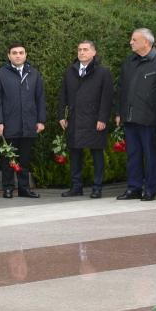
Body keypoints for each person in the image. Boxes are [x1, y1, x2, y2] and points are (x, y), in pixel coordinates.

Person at [115, 28, 156, 201]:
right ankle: (133, 188)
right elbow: (121, 89)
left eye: (134, 39)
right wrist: (119, 112)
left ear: (146, 42)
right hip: (130, 117)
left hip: (151, 118)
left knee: (150, 155)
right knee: (133, 155)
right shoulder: (129, 62)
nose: (130, 42)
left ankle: (150, 190)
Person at [0, 42, 46, 199]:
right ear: (9, 56)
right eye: (14, 53)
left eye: (21, 52)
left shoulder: (34, 73)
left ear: (26, 55)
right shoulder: (0, 74)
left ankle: (24, 188)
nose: (18, 55)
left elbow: (40, 98)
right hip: (8, 124)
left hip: (29, 124)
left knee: (25, 160)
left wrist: (41, 120)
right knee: (8, 159)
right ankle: (7, 188)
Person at [58, 41, 113, 199]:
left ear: (94, 52)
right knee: (75, 154)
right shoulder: (70, 71)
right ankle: (76, 187)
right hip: (74, 119)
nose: (82, 52)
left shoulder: (103, 72)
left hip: (95, 120)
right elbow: (63, 95)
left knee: (97, 154)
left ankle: (97, 187)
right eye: (79, 50)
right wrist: (62, 115)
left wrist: (103, 118)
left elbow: (107, 98)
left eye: (85, 49)